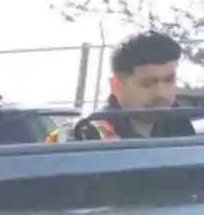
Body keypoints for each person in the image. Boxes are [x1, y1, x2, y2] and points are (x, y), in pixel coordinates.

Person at [48, 31, 194, 141]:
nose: (161, 93)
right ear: (116, 85)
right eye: (147, 84)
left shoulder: (181, 126)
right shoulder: (83, 137)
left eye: (169, 80)